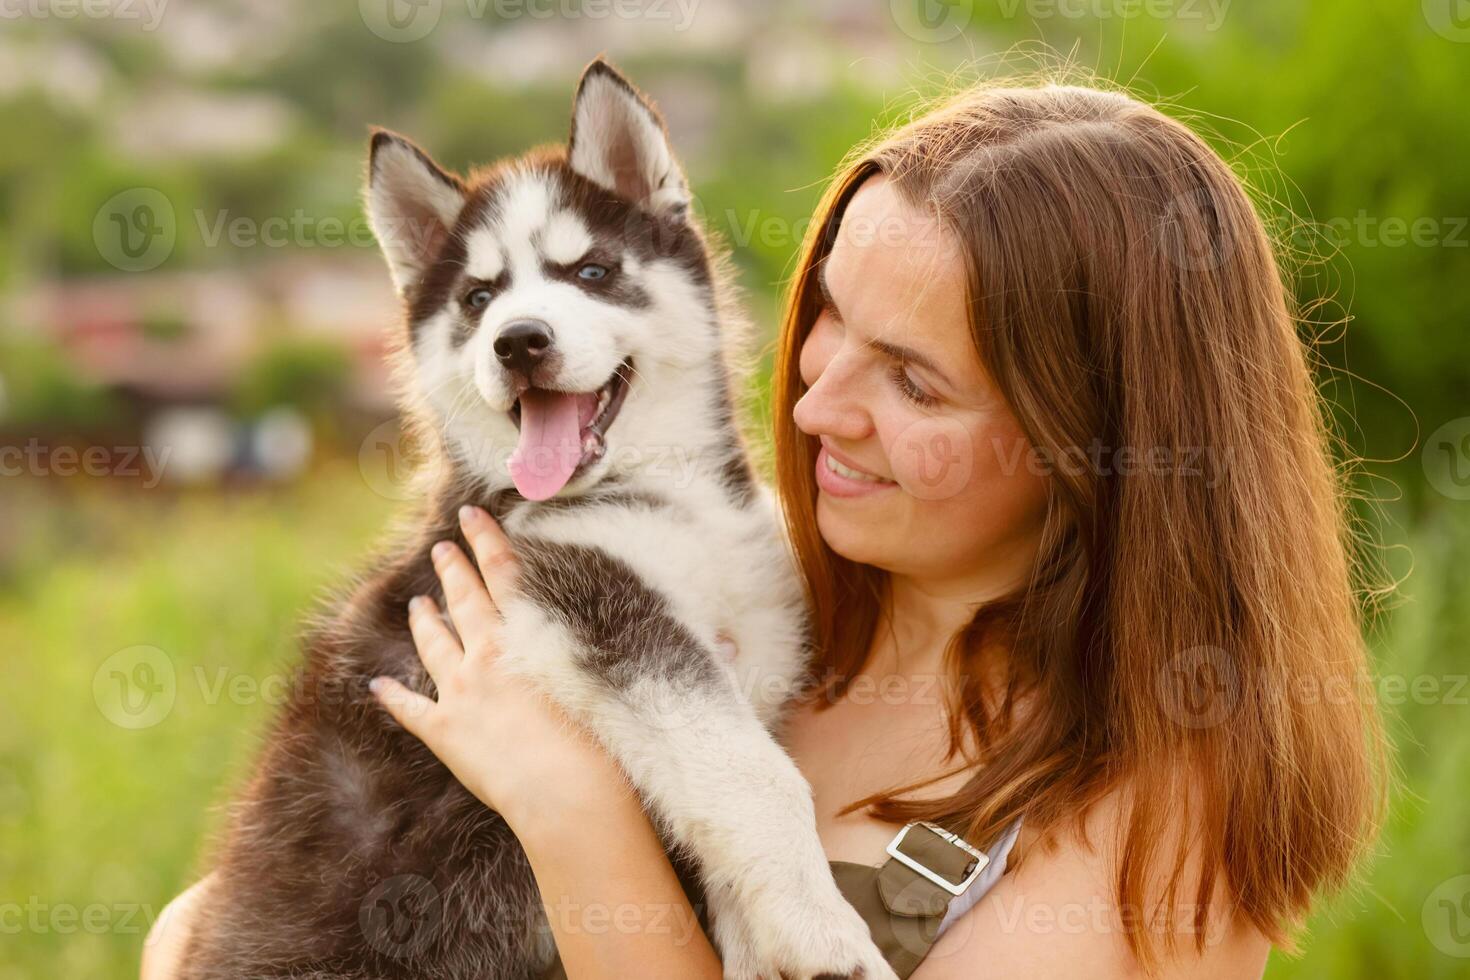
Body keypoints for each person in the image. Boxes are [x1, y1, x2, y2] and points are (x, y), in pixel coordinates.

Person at [143, 79, 1382, 979]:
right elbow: (225, 919)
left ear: (1093, 440)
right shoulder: (771, 601)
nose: (813, 401)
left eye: (915, 382)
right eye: (830, 320)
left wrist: (571, 806)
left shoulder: (1151, 805)